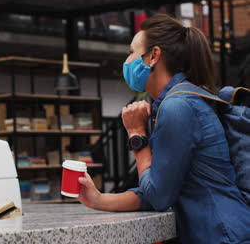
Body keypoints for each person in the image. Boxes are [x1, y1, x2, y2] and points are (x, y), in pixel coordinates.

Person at [78, 14, 250, 243]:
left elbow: (158, 196)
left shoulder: (177, 106)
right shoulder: (179, 101)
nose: (128, 61)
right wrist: (98, 200)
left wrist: (136, 134)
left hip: (223, 235)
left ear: (153, 56)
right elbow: (158, 188)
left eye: (132, 52)